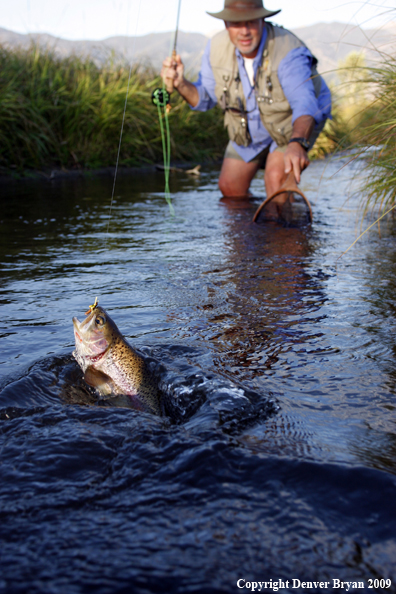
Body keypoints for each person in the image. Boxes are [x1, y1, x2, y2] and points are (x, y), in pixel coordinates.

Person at [161, 0, 331, 210]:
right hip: (250, 121)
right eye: (236, 23)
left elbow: (305, 104)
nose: (244, 31)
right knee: (229, 187)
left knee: (276, 179)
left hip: (291, 123)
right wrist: (181, 84)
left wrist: (298, 143)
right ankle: (251, 235)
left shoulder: (288, 50)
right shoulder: (215, 47)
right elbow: (203, 98)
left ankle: (283, 235)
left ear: (262, 20)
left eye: (250, 22)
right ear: (225, 24)